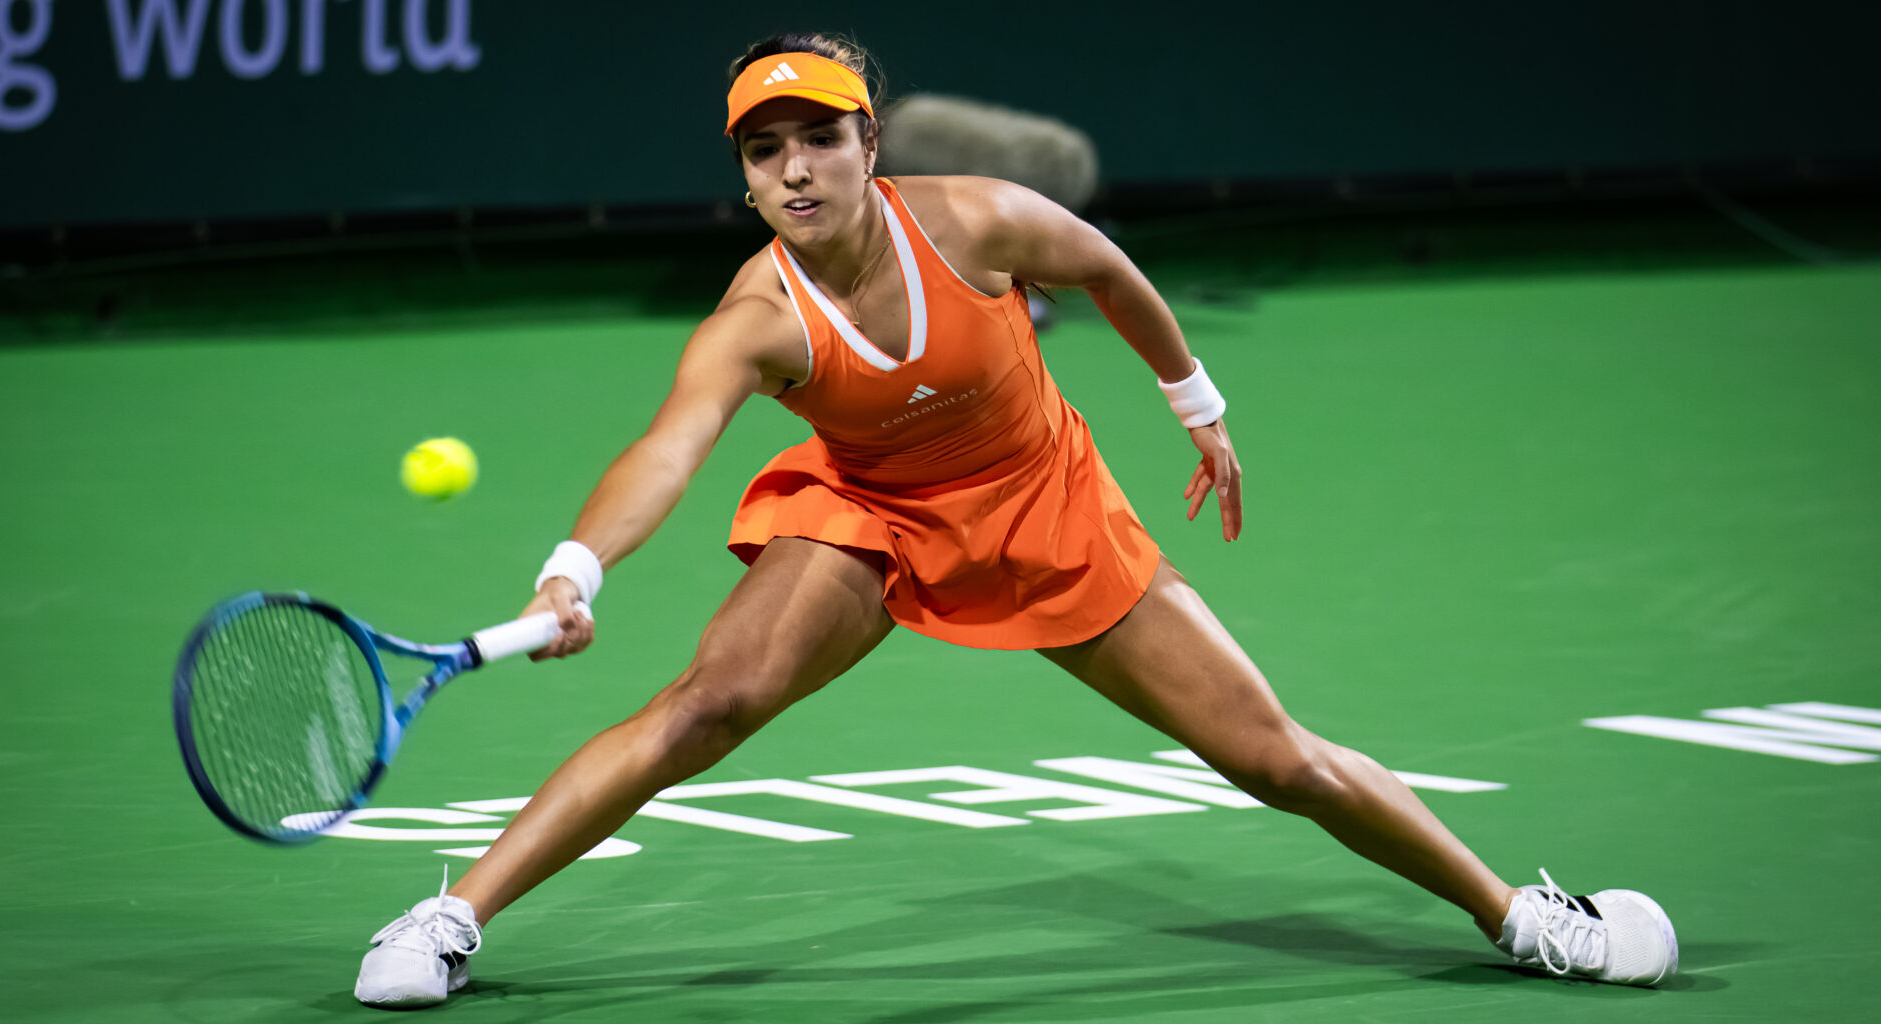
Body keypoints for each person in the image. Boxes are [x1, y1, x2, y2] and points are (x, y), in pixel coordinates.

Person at [352, 33, 1679, 1009]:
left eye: (820, 136)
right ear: (747, 183)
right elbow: (668, 446)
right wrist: (573, 568)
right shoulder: (758, 319)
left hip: (1046, 509)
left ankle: (1521, 916)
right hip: (871, 516)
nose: (797, 167)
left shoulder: (979, 222)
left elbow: (1105, 265)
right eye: (767, 151)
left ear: (873, 142)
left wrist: (1193, 400)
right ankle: (449, 915)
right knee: (704, 705)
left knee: (1273, 758)